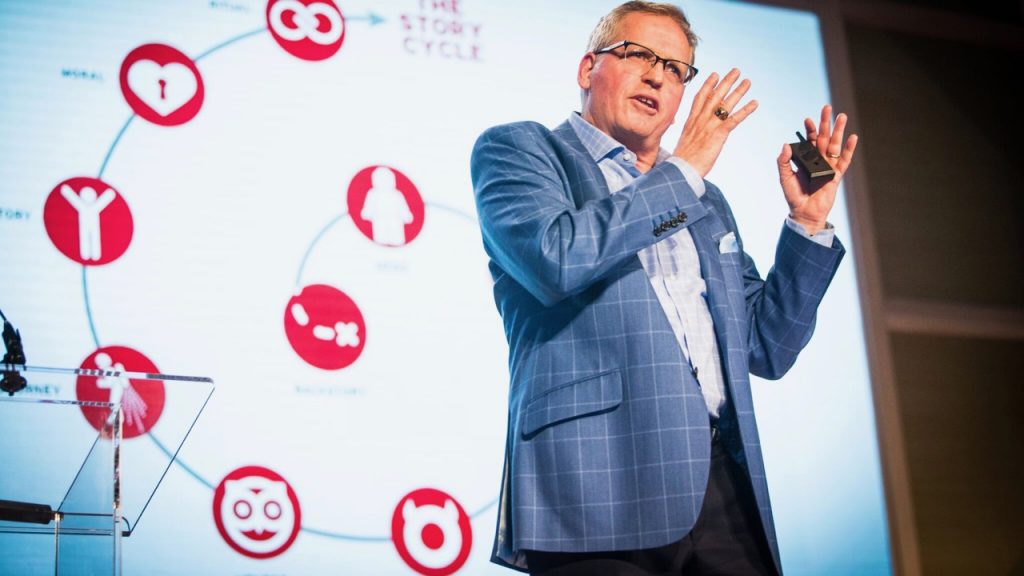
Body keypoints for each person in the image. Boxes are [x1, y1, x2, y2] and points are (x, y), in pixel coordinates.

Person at [470, 2, 858, 575]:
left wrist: (807, 224)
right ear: (587, 69)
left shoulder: (705, 200)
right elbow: (555, 259)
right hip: (597, 480)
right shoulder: (522, 151)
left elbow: (766, 347)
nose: (658, 75)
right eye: (638, 56)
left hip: (721, 484)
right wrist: (687, 170)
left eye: (676, 69)